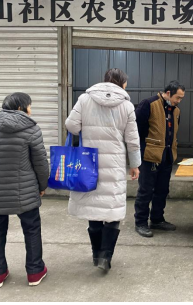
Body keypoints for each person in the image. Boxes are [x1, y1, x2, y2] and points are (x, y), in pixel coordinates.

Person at [0, 92, 49, 289]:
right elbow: (40, 163)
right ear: (21, 108)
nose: (31, 110)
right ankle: (35, 271)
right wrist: (42, 186)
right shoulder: (32, 130)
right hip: (25, 191)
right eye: (30, 105)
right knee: (31, 229)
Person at [65, 68, 141, 272]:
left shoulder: (85, 99)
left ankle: (95, 254)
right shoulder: (126, 105)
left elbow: (71, 125)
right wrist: (135, 164)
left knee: (94, 208)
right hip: (114, 164)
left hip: (88, 162)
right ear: (122, 83)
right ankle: (105, 257)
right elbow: (133, 140)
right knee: (111, 210)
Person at [134, 81, 186, 237]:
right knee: (145, 190)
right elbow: (136, 130)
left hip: (167, 156)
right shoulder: (149, 104)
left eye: (181, 98)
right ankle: (141, 222)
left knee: (162, 190)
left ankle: (157, 219)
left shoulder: (176, 111)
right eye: (178, 97)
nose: (179, 101)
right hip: (149, 155)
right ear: (168, 93)